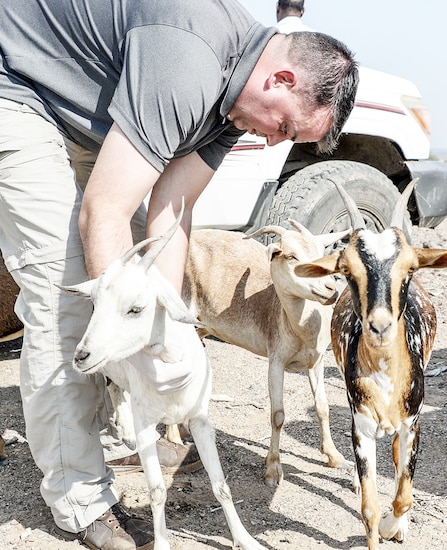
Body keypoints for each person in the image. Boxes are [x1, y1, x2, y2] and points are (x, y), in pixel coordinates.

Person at [0, 1, 358, 548]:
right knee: (68, 293)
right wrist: (134, 341)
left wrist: (171, 335)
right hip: (20, 86)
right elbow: (105, 211)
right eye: (283, 126)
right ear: (280, 78)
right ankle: (80, 497)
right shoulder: (190, 57)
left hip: (84, 107)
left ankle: (120, 431)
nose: (270, 141)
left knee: (139, 271)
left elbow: (172, 214)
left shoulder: (238, 100)